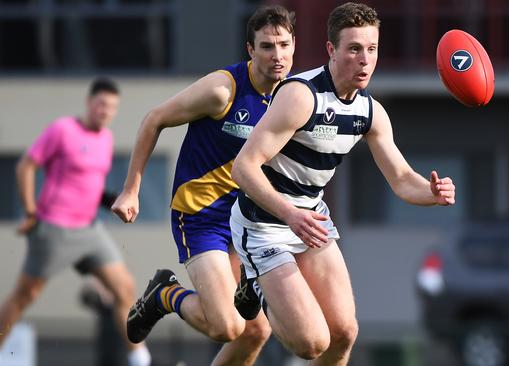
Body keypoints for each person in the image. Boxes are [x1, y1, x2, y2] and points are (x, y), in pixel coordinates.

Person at [229, 2, 456, 364]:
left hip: (311, 220)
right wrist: (290, 214)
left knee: (344, 334)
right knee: (311, 343)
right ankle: (255, 285)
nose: (364, 60)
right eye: (354, 49)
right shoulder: (300, 96)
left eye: (371, 49)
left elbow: (401, 179)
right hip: (263, 224)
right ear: (332, 50)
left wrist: (431, 193)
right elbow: (243, 168)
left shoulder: (370, 112)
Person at [110, 5, 295, 366]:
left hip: (245, 224)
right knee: (227, 327)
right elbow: (154, 119)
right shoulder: (222, 90)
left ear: (294, 46)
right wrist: (131, 189)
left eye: (284, 45)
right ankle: (166, 296)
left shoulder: (292, 95)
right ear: (250, 49)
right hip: (200, 217)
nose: (278, 55)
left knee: (257, 330)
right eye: (267, 46)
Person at [0, 78, 152, 366]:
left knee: (124, 288)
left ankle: (140, 359)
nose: (106, 111)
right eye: (102, 104)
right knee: (24, 295)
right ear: (89, 103)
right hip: (54, 228)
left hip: (90, 230)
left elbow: (90, 187)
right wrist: (31, 212)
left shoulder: (105, 139)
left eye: (112, 108)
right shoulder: (63, 130)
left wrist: (116, 202)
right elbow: (25, 166)